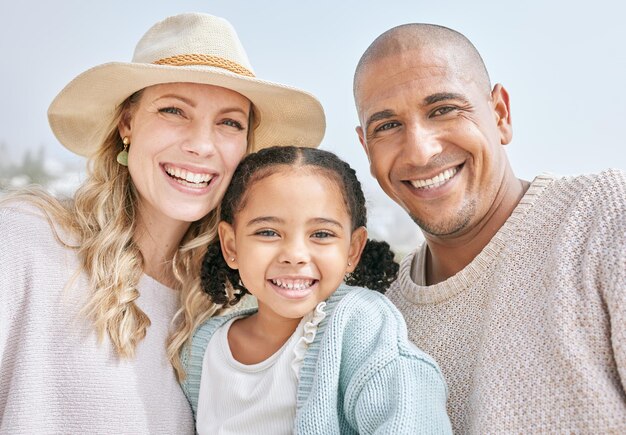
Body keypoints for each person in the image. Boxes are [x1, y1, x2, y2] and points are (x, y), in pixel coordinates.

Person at [0, 13, 325, 434]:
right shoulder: (27, 239)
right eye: (174, 110)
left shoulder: (234, 304)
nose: (202, 145)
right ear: (128, 123)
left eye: (229, 122)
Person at [353, 23, 626, 433]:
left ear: (500, 114)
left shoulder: (605, 217)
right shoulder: (375, 325)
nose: (420, 151)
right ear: (366, 149)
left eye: (443, 109)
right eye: (388, 126)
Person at [179, 146, 452, 434]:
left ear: (353, 249)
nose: (295, 255)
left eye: (321, 234)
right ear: (231, 246)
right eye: (268, 232)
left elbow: (410, 418)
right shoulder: (201, 348)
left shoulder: (358, 323)